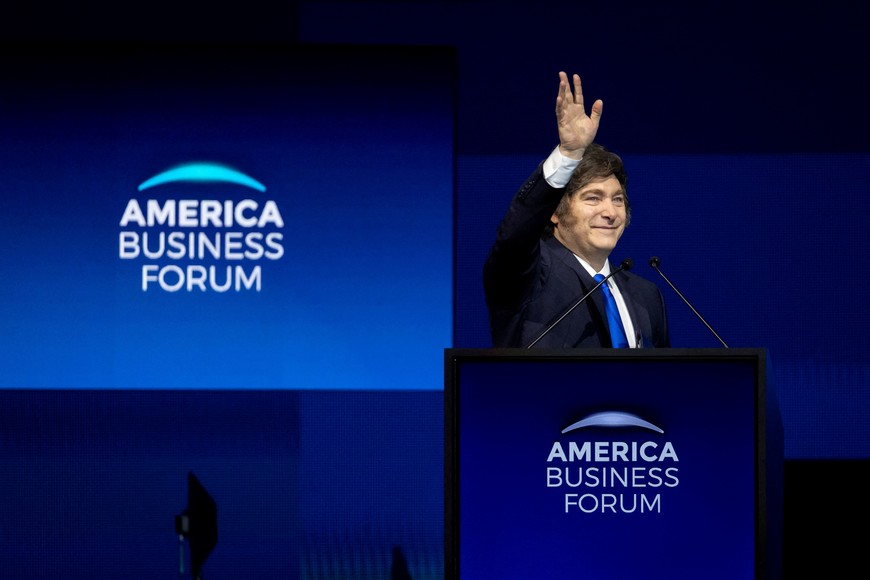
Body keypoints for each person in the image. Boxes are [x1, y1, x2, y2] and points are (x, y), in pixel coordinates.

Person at [483, 71, 669, 349]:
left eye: (617, 200)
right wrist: (568, 154)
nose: (610, 212)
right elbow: (514, 237)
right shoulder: (530, 274)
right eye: (593, 198)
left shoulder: (646, 295)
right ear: (554, 213)